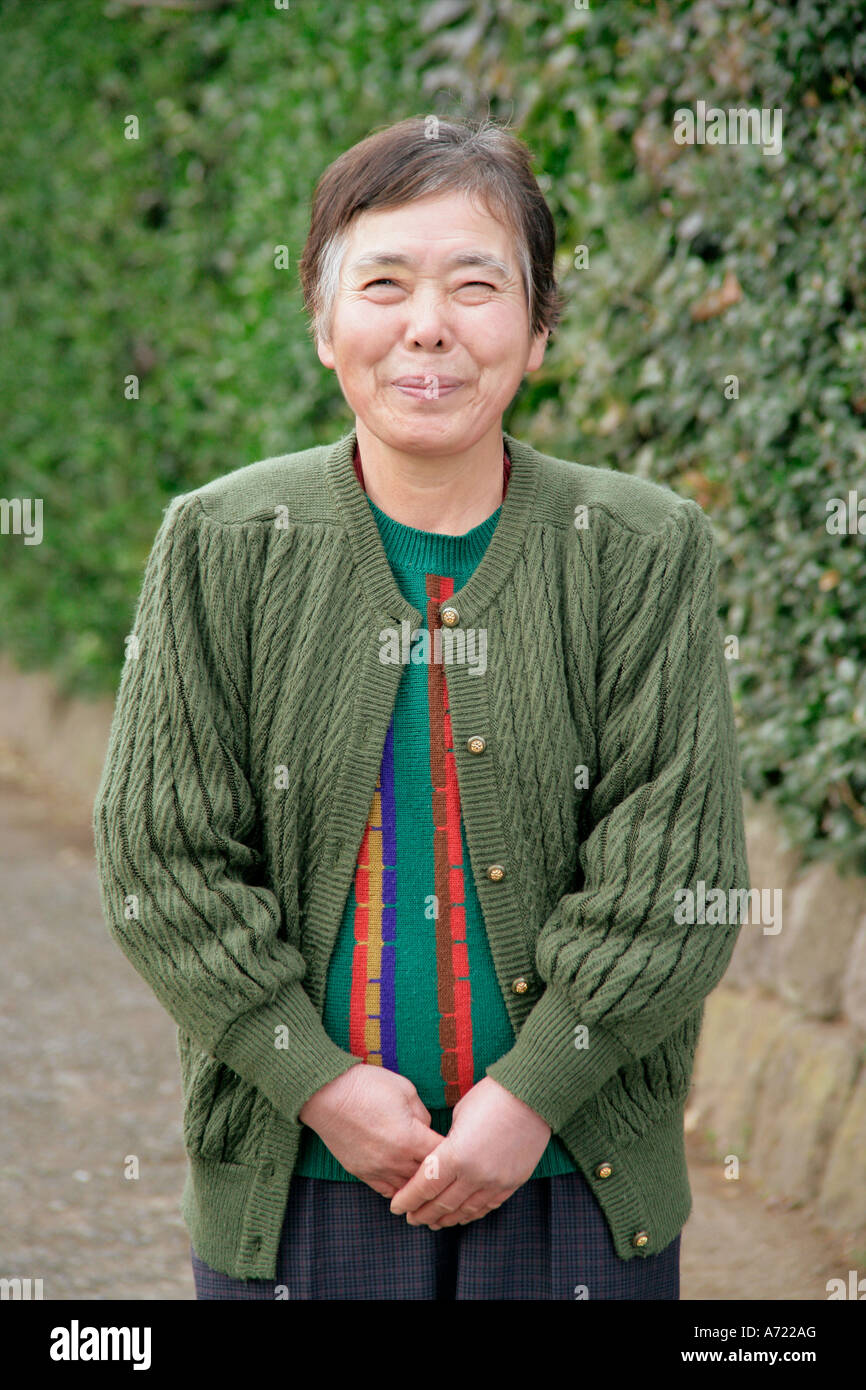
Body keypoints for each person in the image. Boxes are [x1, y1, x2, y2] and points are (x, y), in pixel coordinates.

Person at [92, 114, 750, 1301]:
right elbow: (162, 857)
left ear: (538, 329)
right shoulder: (221, 542)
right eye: (382, 282)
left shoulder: (641, 549)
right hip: (293, 1188)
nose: (426, 326)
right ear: (322, 320)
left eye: (474, 285)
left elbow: (672, 880)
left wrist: (528, 1094)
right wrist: (319, 1084)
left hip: (573, 1194)